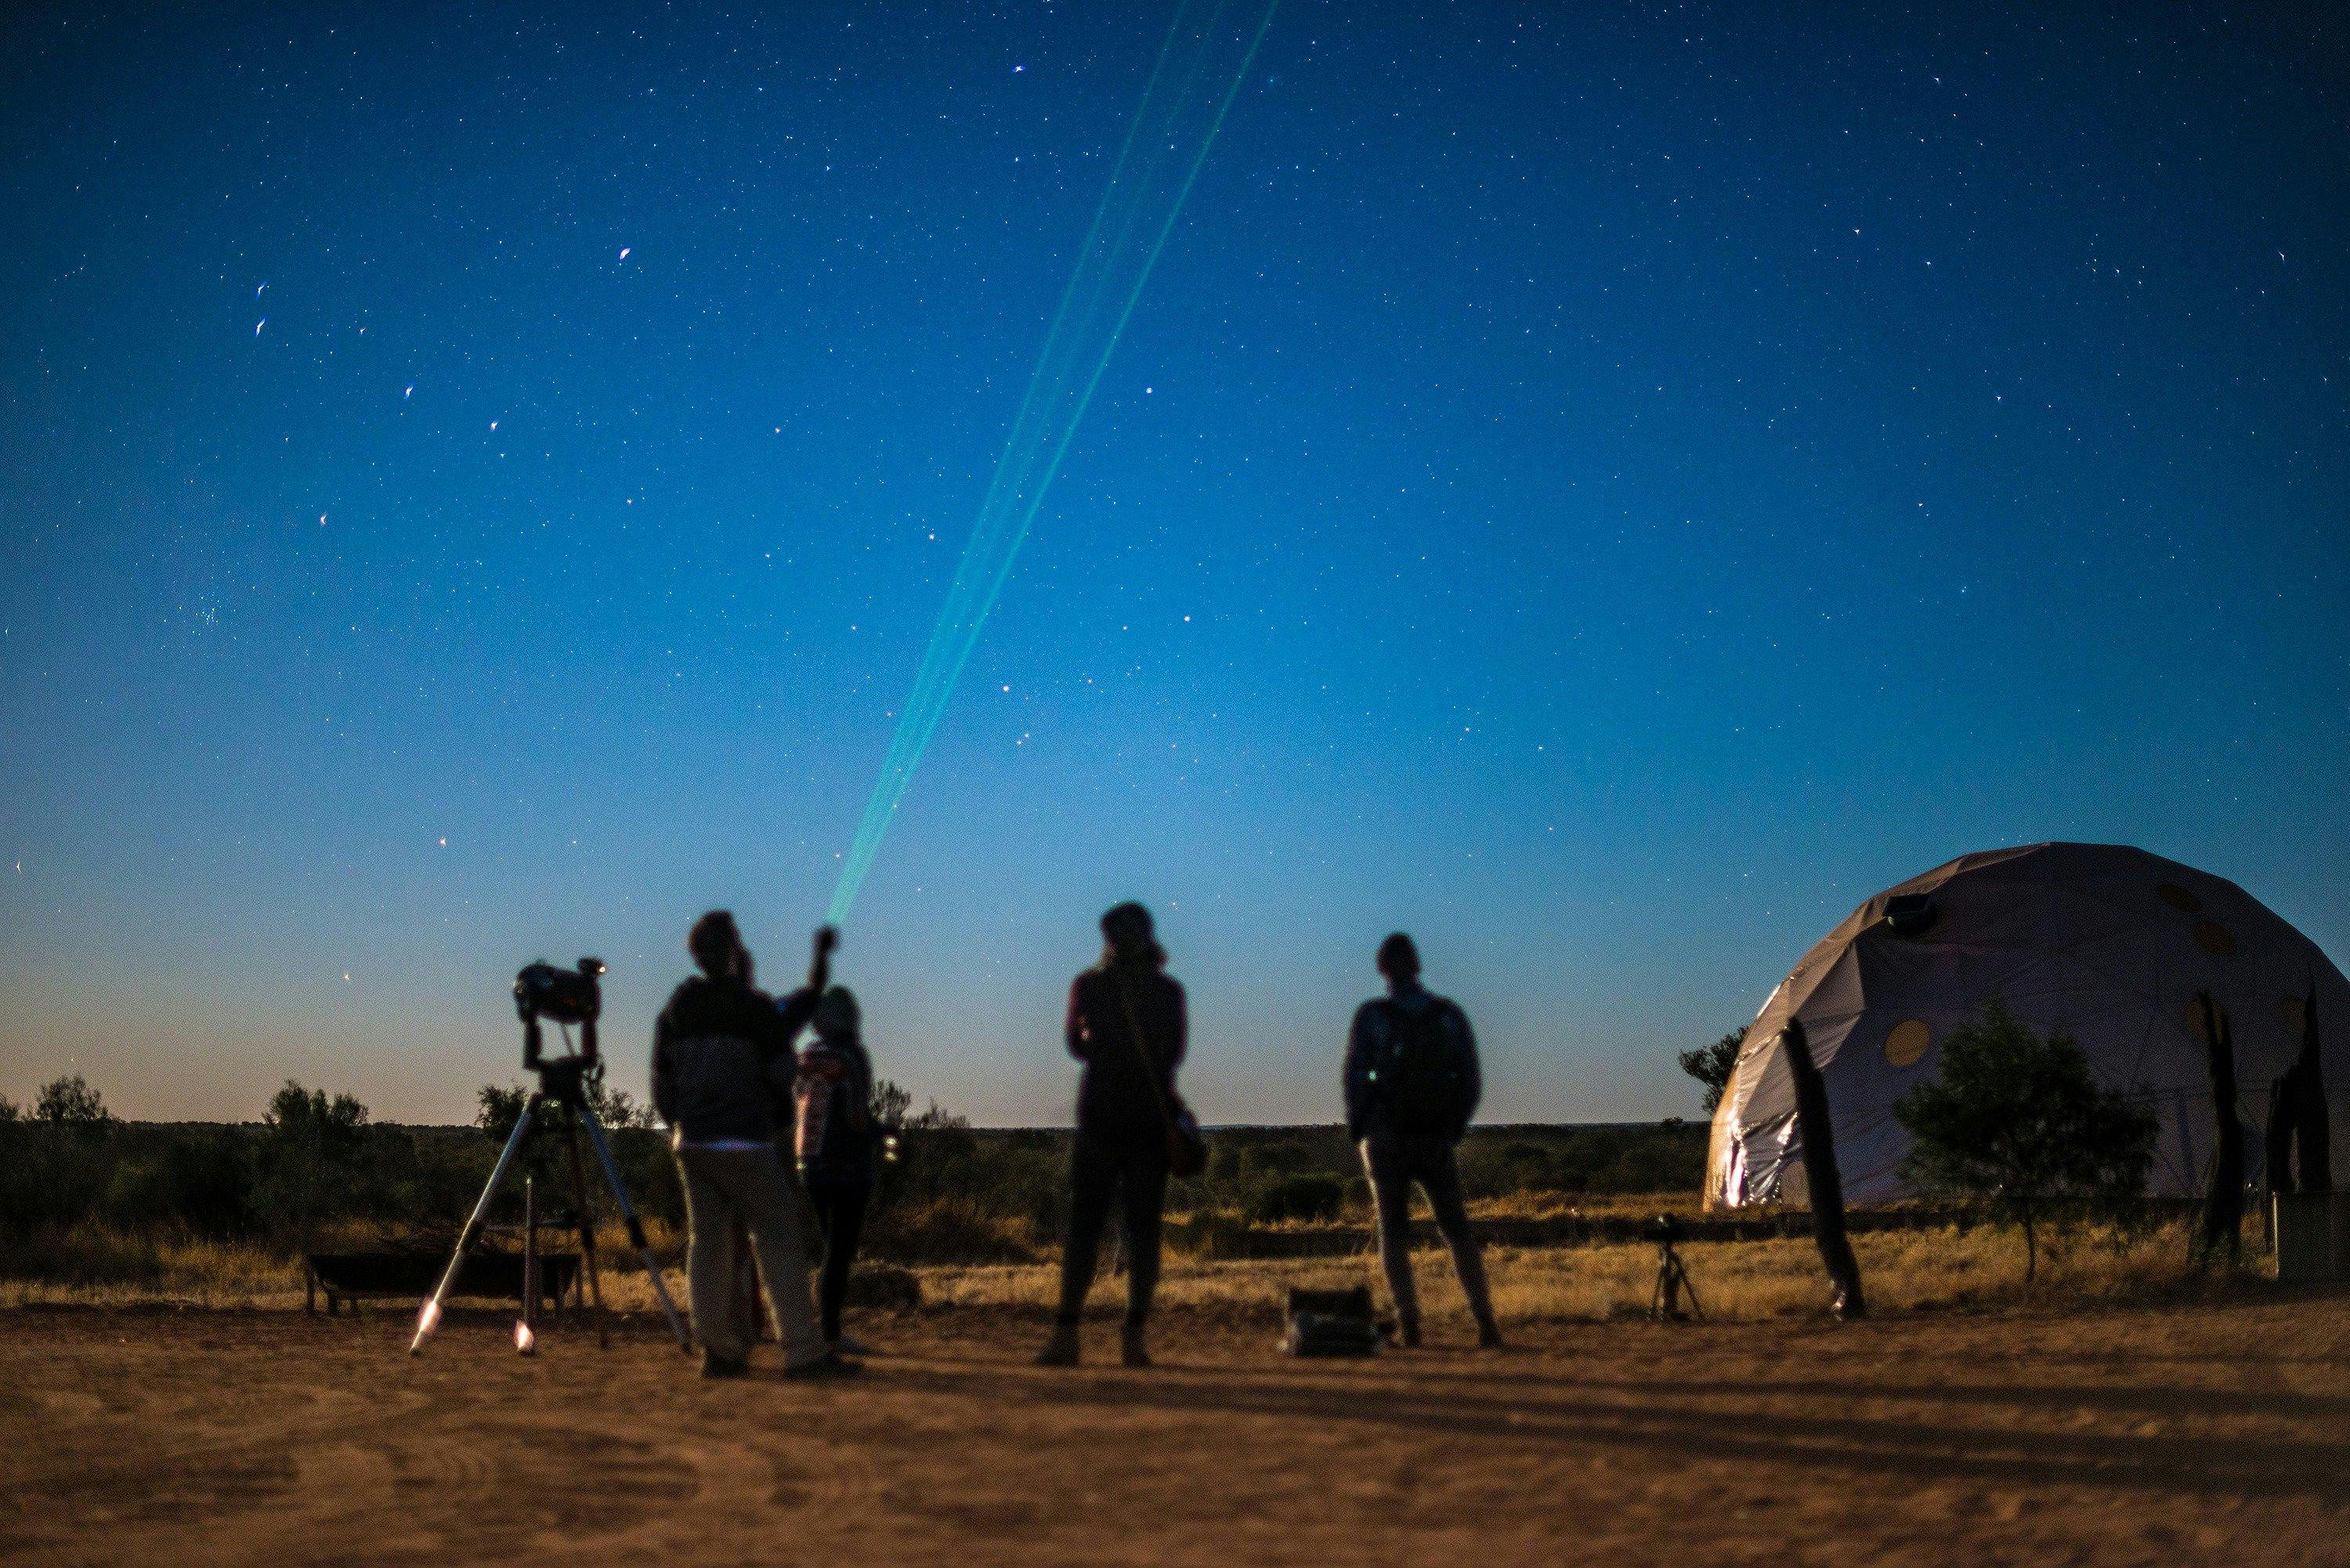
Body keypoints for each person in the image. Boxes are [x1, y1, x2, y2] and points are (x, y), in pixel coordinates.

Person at [650, 913, 858, 1379]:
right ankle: (804, 1352)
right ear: (732, 952)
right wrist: (768, 1116)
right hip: (747, 1141)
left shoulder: (677, 1011)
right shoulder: (757, 1011)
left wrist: (681, 1123)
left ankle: (720, 1351)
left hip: (694, 1142)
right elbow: (783, 1074)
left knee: (708, 1245)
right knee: (779, 1240)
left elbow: (661, 1083)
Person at [1037, 901, 1186, 1368]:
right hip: (1146, 1121)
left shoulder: (1089, 987)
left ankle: (1067, 1333)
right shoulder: (1168, 992)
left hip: (1100, 1117)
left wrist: (1104, 1046)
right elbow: (1174, 1053)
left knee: (1084, 1229)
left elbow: (1074, 1047)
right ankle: (1133, 1333)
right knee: (1143, 1231)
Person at [1343, 932, 1502, 1349]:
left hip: (1386, 1137)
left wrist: (1363, 1129)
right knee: (1457, 1229)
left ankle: (1409, 1321)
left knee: (1392, 1232)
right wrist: (1453, 1128)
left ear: (1382, 968)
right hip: (1434, 1137)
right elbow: (1470, 1078)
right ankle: (1484, 1320)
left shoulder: (1372, 1016)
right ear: (1417, 965)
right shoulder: (1448, 1016)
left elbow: (1355, 1077)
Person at [790, 985, 880, 1353]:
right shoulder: (852, 1056)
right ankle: (829, 1333)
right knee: (839, 1250)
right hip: (847, 1164)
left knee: (830, 1246)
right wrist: (882, 1132)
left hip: (809, 1161)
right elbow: (857, 1116)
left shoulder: (807, 1054)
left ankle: (822, 1325)